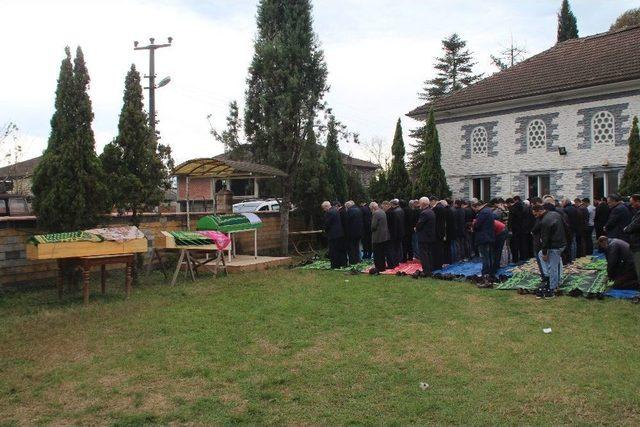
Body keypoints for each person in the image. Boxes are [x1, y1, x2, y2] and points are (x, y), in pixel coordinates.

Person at [533, 203, 567, 298]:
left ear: (539, 211)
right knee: (555, 263)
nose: (535, 217)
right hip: (561, 243)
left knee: (552, 266)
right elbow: (566, 227)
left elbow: (545, 238)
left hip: (554, 245)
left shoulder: (545, 221)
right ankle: (554, 280)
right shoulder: (555, 214)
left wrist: (545, 252)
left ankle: (552, 288)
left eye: (535, 214)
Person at [472, 200, 495, 286]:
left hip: (483, 237)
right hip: (489, 236)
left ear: (477, 206)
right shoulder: (488, 211)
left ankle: (485, 273)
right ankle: (490, 272)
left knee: (485, 256)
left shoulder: (482, 213)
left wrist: (474, 224)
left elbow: (477, 225)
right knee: (489, 255)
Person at [414, 197, 436, 277]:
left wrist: (416, 228)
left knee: (424, 255)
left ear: (423, 203)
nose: (419, 204)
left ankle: (426, 271)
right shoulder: (431, 211)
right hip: (430, 236)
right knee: (429, 253)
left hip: (424, 237)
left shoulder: (424, 213)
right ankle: (430, 268)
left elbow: (420, 224)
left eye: (420, 203)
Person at [322, 201, 347, 268]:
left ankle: (335, 265)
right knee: (340, 249)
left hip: (333, 234)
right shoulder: (335, 210)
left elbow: (327, 224)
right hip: (339, 233)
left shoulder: (329, 212)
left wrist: (324, 229)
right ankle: (343, 263)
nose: (324, 210)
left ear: (326, 206)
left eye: (324, 208)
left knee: (333, 250)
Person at [623, 194, 640, 282]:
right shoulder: (637, 212)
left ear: (638, 201)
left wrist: (626, 228)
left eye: (632, 203)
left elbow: (632, 227)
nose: (631, 205)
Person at [369, 202, 390, 273]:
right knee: (382, 253)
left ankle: (378, 267)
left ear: (373, 208)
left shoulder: (376, 213)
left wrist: (371, 229)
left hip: (378, 236)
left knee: (377, 253)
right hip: (384, 235)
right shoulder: (382, 211)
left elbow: (373, 226)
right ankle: (382, 267)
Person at [345, 200, 363, 265]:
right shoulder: (358, 209)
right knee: (357, 247)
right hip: (359, 232)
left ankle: (353, 261)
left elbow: (347, 222)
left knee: (351, 248)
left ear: (348, 206)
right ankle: (358, 259)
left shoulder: (350, 211)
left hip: (351, 233)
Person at [508, 195, 525, 263]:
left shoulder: (512, 208)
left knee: (514, 245)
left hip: (514, 228)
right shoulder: (524, 207)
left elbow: (510, 220)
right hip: (522, 228)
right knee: (522, 243)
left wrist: (509, 229)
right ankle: (522, 257)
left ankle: (515, 259)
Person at [382, 201, 398, 268]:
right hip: (393, 233)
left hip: (389, 234)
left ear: (386, 205)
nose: (383, 208)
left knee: (389, 250)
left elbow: (387, 225)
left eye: (383, 207)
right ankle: (394, 263)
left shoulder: (388, 213)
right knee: (392, 249)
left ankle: (391, 264)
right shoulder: (393, 211)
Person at [390, 199, 405, 266]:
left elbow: (395, 224)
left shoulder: (395, 212)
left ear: (393, 204)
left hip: (397, 232)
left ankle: (396, 260)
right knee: (399, 246)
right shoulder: (401, 210)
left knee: (395, 247)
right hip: (401, 230)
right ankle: (400, 258)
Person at [432, 199, 447, 270]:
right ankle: (440, 263)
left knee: (436, 249)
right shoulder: (442, 207)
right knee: (440, 248)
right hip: (441, 231)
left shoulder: (437, 208)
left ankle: (437, 264)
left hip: (437, 231)